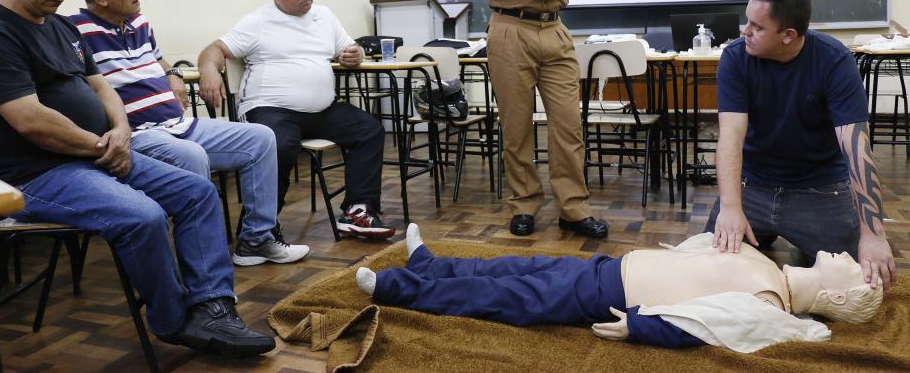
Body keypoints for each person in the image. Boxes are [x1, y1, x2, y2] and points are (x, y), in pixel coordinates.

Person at [0, 0, 273, 356]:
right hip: (38, 173)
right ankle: (175, 321)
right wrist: (102, 146)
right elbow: (30, 120)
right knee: (142, 216)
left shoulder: (62, 29)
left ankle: (214, 310)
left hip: (98, 154)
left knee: (197, 193)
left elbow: (104, 89)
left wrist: (121, 133)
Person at [69, 0, 308, 266]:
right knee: (191, 155)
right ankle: (202, 268)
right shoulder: (73, 32)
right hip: (138, 136)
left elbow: (156, 58)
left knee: (261, 138)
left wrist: (173, 73)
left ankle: (256, 239)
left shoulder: (138, 22)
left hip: (179, 124)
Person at [357, 224, 883, 353]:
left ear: (836, 297)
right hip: (608, 265)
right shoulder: (766, 260)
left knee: (506, 296)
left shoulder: (768, 305)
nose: (851, 257)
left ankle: (400, 288)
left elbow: (701, 326)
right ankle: (430, 263)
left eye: (854, 272)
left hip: (599, 296)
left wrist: (639, 326)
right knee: (510, 266)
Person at [706, 0, 897, 291]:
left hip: (818, 189)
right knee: (708, 273)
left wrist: (873, 235)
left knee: (856, 285)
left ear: (788, 35)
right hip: (753, 185)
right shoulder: (736, 57)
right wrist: (730, 206)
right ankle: (764, 234)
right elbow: (730, 138)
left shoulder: (834, 60)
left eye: (757, 26)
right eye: (747, 21)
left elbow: (856, 149)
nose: (745, 31)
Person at [464, 0, 608, 238]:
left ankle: (573, 209)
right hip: (510, 30)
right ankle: (524, 205)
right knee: (517, 127)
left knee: (568, 126)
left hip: (555, 30)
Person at [197, 0, 395, 239]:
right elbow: (215, 49)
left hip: (321, 111)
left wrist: (355, 55)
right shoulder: (259, 22)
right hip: (270, 109)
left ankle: (358, 210)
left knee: (369, 130)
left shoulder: (324, 16)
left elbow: (350, 48)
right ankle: (259, 229)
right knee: (277, 146)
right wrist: (208, 70)